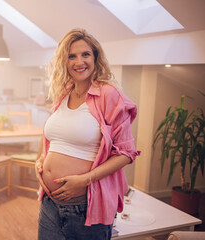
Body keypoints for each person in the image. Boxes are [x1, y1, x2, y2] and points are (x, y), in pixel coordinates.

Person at [35, 28, 140, 240]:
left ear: (95, 58)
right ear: (64, 61)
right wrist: (40, 160)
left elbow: (126, 153)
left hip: (85, 208)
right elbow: (51, 135)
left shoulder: (108, 94)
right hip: (49, 204)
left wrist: (85, 180)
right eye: (71, 56)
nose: (78, 61)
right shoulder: (64, 92)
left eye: (85, 54)